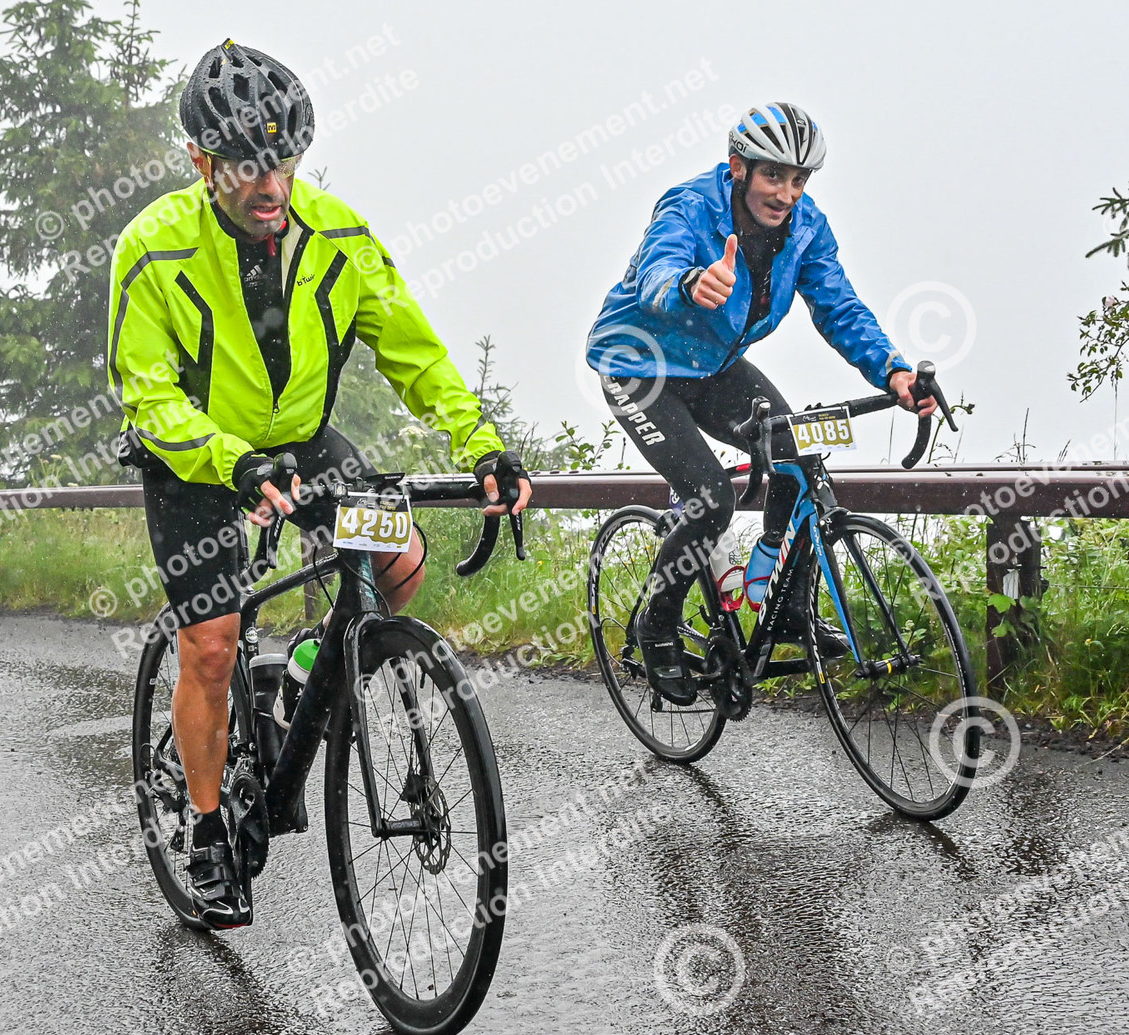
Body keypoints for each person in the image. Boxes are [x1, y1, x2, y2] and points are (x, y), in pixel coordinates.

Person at [107, 40, 531, 928]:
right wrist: (231, 462)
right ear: (201, 163)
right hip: (196, 458)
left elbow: (415, 353)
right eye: (248, 167)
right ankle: (208, 827)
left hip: (299, 443)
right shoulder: (152, 246)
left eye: (286, 162)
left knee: (399, 563)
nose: (273, 186)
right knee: (212, 644)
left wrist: (483, 444)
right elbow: (147, 394)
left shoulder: (338, 234)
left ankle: (310, 664)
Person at [586, 102, 933, 705]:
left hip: (713, 367)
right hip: (639, 366)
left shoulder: (806, 227)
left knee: (797, 458)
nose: (786, 193)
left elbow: (839, 307)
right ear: (738, 167)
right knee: (710, 497)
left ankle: (789, 608)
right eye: (774, 175)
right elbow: (657, 271)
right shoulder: (690, 206)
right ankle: (656, 625)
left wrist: (892, 369)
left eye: (799, 179)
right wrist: (690, 284)